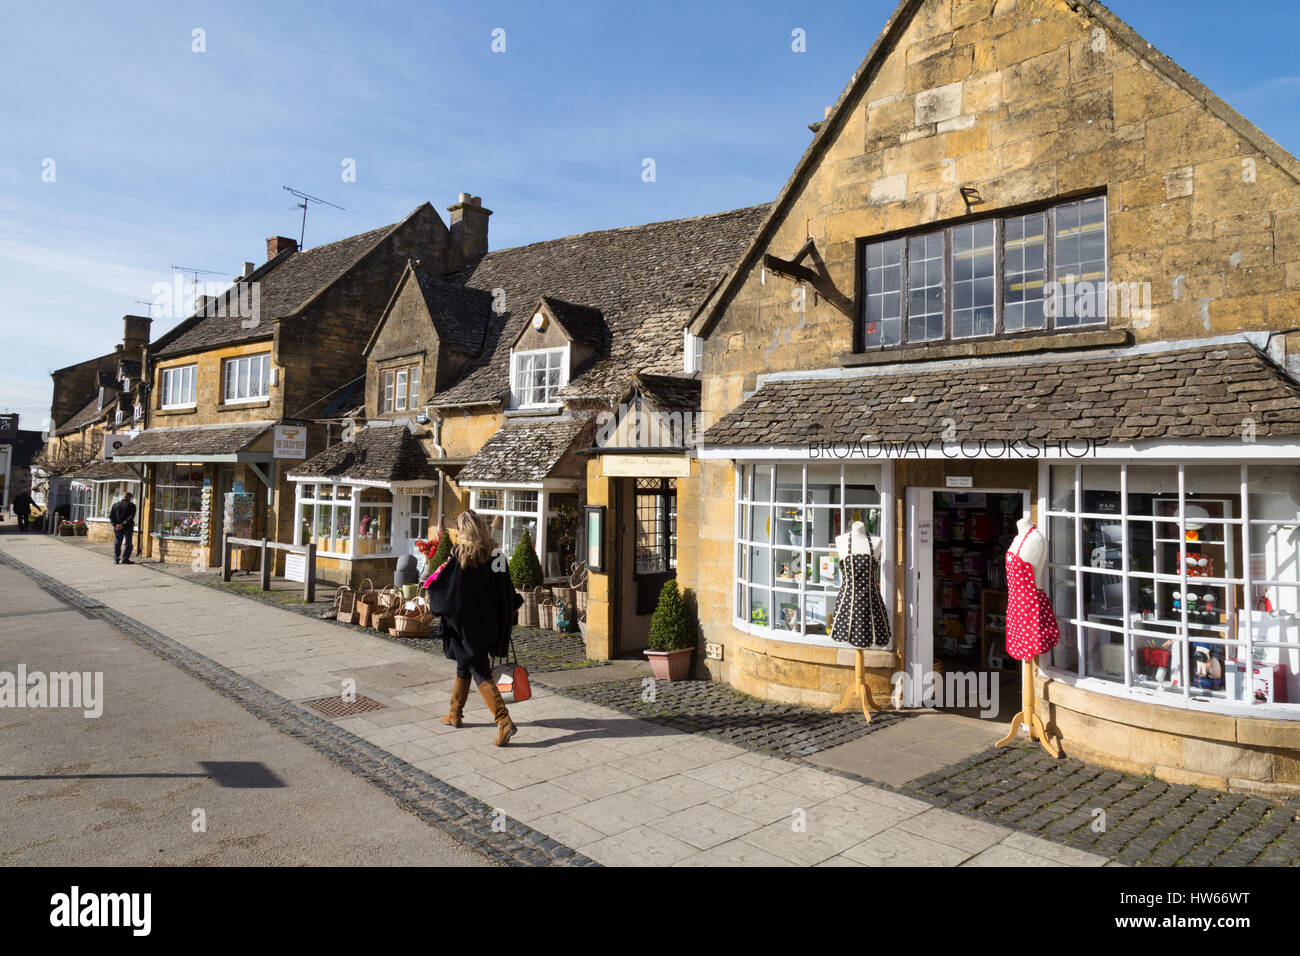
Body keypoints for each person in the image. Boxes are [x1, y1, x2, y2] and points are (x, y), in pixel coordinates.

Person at [425, 510, 523, 746]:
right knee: (464, 663)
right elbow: (506, 589)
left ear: (464, 530)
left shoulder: (460, 555)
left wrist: (433, 599)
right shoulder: (496, 555)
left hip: (467, 625)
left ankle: (504, 721)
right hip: (490, 622)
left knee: (479, 670)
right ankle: (455, 713)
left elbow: (447, 591)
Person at [108, 490, 137, 564]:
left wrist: (115, 525)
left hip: (117, 527)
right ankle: (125, 559)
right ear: (130, 498)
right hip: (128, 527)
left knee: (117, 543)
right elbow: (131, 517)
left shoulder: (115, 505)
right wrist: (123, 524)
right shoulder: (132, 506)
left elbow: (111, 516)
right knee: (128, 543)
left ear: (122, 497)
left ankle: (116, 559)